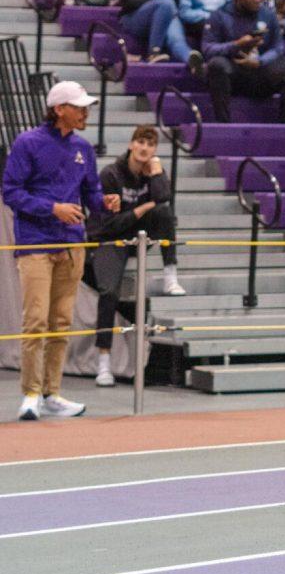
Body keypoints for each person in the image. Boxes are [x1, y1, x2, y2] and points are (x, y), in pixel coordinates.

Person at [2, 81, 120, 420]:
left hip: (72, 245)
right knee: (36, 321)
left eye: (86, 107)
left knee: (61, 321)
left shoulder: (84, 148)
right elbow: (11, 192)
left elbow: (91, 195)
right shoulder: (27, 143)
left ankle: (52, 393)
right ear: (59, 109)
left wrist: (105, 203)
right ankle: (30, 393)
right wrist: (53, 208)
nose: (85, 113)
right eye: (79, 107)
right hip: (35, 243)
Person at [86, 126, 185, 388]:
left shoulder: (154, 171)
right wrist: (142, 208)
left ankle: (170, 276)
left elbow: (163, 200)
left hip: (140, 236)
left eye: (150, 144)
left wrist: (157, 172)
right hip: (110, 238)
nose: (144, 148)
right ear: (131, 144)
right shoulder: (111, 174)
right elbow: (110, 224)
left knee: (164, 213)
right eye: (140, 142)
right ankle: (103, 363)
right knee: (108, 293)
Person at [201, 0, 285, 124]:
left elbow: (278, 47)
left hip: (260, 72)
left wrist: (260, 61)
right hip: (234, 72)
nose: (257, 0)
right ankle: (223, 124)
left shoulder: (268, 15)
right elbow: (208, 48)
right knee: (216, 66)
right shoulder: (220, 15)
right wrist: (236, 45)